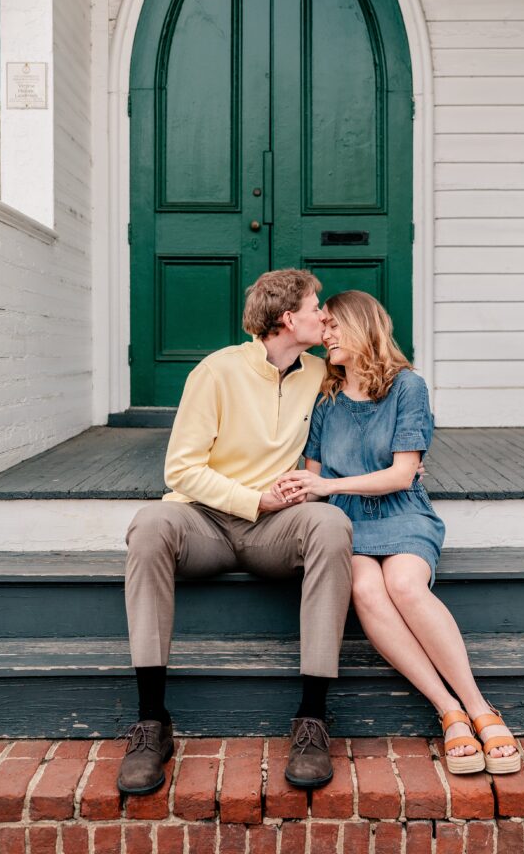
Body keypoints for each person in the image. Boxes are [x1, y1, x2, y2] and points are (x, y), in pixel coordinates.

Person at [117, 269, 354, 796]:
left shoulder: (321, 372)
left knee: (332, 524)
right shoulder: (216, 372)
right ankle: (152, 721)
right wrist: (254, 499)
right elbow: (181, 470)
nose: (324, 317)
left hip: (277, 529)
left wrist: (405, 459)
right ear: (288, 318)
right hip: (205, 522)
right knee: (149, 524)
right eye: (316, 308)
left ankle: (313, 719)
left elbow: (378, 390)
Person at [274, 291, 521, 775]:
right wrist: (287, 492)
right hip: (346, 518)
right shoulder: (325, 400)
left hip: (402, 510)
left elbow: (403, 474)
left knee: (404, 584)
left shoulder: (408, 387)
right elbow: (313, 478)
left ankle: (480, 708)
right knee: (366, 589)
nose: (325, 336)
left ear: (362, 326)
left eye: (334, 326)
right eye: (323, 327)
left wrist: (329, 485)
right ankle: (449, 711)